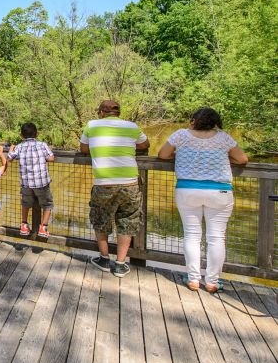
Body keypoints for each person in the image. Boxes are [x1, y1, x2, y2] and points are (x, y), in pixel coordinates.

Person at [157, 107, 248, 292]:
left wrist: (180, 155)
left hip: (188, 189)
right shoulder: (223, 137)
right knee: (216, 237)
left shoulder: (181, 135)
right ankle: (213, 282)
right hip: (220, 191)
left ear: (194, 120)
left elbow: (163, 155)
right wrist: (224, 158)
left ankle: (193, 279)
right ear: (215, 122)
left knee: (192, 235)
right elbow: (242, 159)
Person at [80, 100, 149, 278]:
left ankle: (104, 259)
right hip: (130, 183)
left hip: (104, 183)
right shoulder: (131, 126)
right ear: (118, 112)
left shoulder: (92, 125)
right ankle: (119, 264)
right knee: (127, 221)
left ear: (102, 112)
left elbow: (84, 149)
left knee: (100, 219)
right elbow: (144, 145)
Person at [7, 123, 55, 238]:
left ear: (21, 135)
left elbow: (9, 158)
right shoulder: (42, 145)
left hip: (26, 184)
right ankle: (43, 227)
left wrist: (10, 149)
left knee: (25, 203)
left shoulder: (19, 147)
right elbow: (51, 158)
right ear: (37, 134)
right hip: (42, 183)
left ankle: (24, 224)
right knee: (47, 204)